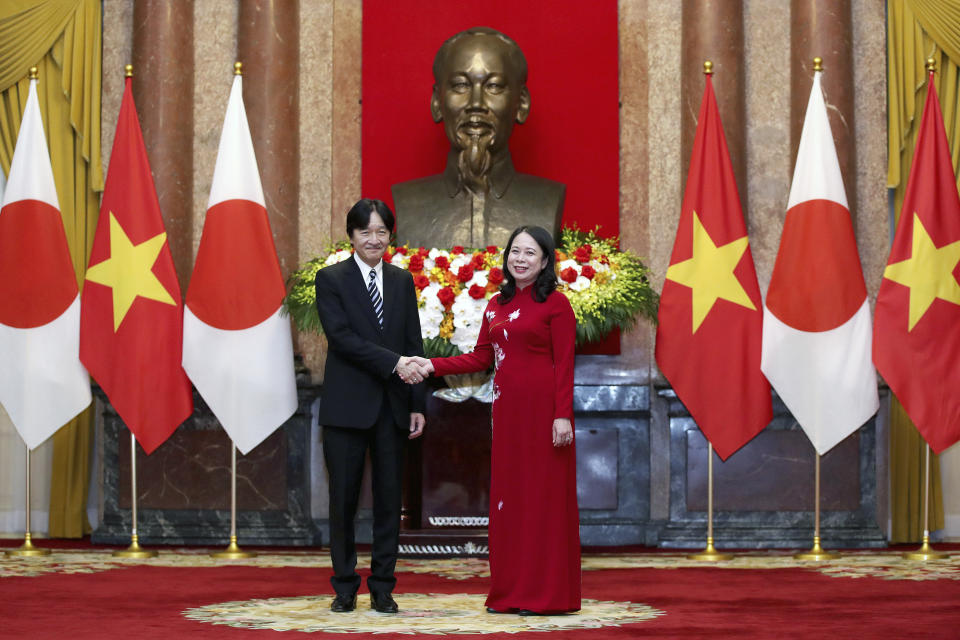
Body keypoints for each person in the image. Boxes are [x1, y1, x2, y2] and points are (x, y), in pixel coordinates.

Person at [408, 225, 580, 615]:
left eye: (530, 253)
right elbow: (480, 359)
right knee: (510, 501)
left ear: (545, 261)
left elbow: (565, 366)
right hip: (506, 415)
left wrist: (562, 416)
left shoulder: (556, 304)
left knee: (542, 502)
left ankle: (545, 595)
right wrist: (430, 364)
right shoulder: (495, 305)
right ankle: (511, 592)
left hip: (544, 415)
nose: (520, 259)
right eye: (515, 251)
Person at [314, 198, 427, 614]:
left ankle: (383, 586)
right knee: (342, 501)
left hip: (393, 408)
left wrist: (417, 403)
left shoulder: (402, 281)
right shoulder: (331, 279)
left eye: (381, 232)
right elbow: (341, 339)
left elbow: (413, 342)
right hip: (347, 408)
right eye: (366, 232)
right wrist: (394, 363)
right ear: (351, 236)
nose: (374, 239)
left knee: (387, 502)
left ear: (390, 236)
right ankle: (344, 586)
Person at [392, 27, 565, 249]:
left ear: (521, 103)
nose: (476, 103)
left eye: (493, 86)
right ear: (437, 102)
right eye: (461, 85)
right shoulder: (409, 201)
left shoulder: (547, 200)